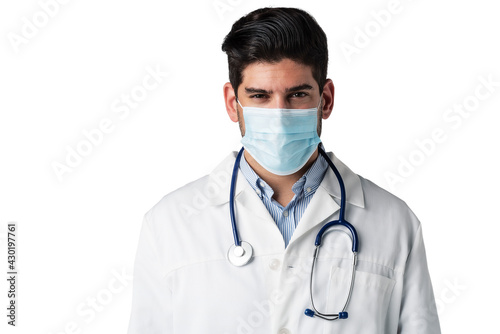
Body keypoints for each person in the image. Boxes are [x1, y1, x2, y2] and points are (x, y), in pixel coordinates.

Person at [127, 7, 441, 334]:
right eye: (260, 96)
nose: (279, 114)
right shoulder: (169, 224)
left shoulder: (394, 222)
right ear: (233, 103)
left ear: (326, 99)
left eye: (297, 95)